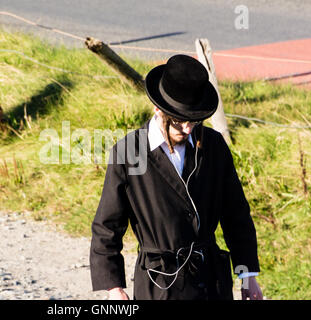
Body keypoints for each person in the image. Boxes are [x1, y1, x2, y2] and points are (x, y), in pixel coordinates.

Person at [89, 54, 263, 300]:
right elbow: (107, 225)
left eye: (195, 120)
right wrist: (114, 287)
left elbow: (236, 214)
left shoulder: (214, 146)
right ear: (158, 109)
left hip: (211, 282)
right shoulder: (129, 152)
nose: (189, 128)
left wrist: (248, 275)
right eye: (180, 121)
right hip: (159, 284)